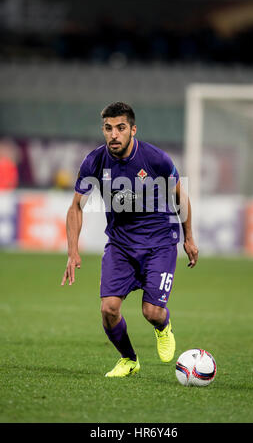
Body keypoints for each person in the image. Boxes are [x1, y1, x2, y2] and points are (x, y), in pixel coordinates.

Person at [61, 102, 198, 377]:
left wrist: (189, 238)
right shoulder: (95, 161)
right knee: (108, 309)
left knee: (152, 312)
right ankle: (129, 360)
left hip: (159, 244)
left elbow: (180, 196)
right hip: (120, 245)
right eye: (108, 128)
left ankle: (163, 327)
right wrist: (72, 251)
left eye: (120, 128)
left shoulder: (156, 159)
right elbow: (76, 206)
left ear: (133, 130)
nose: (114, 134)